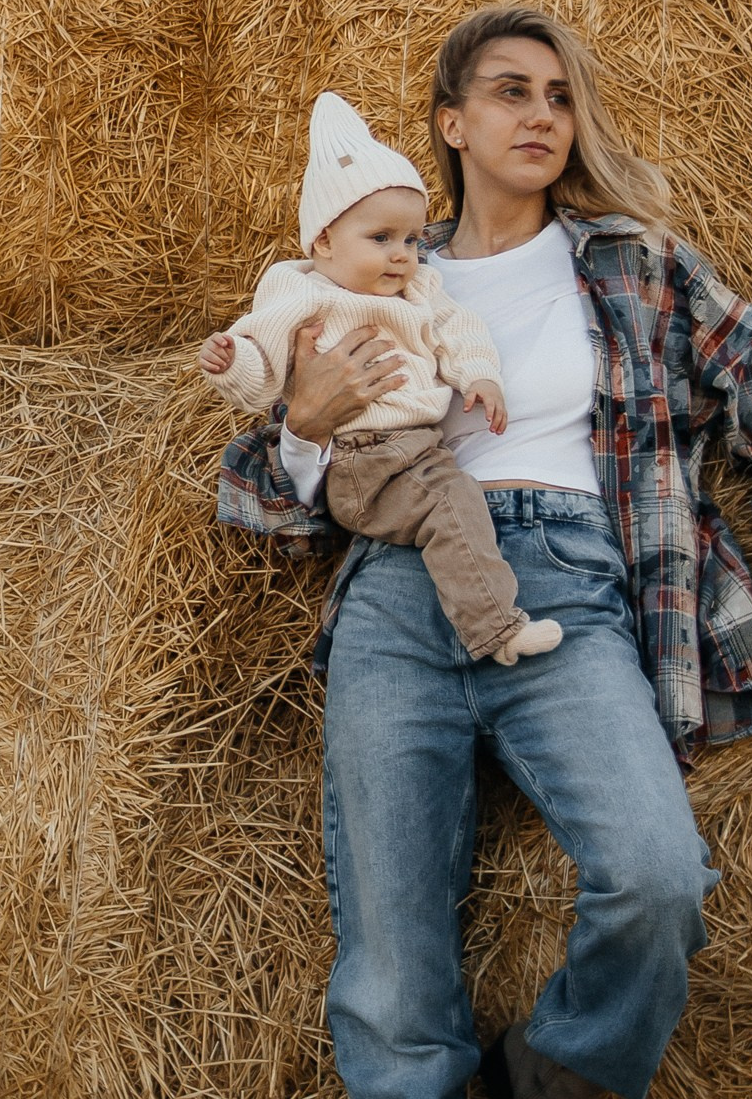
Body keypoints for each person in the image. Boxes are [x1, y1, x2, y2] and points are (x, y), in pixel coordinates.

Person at [218, 5, 752, 1099]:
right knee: (392, 965)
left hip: (572, 585)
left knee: (656, 874)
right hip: (399, 599)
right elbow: (252, 496)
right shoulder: (371, 267)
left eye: (559, 98)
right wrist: (309, 430)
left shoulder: (628, 268)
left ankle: (554, 1077)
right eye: (508, 93)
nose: (539, 118)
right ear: (446, 123)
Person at [199, 89, 562, 667]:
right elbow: (263, 364)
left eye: (413, 240)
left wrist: (481, 377)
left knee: (452, 504)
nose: (402, 255)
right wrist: (231, 362)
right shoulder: (300, 291)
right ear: (323, 242)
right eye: (381, 239)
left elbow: (458, 329)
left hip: (417, 450)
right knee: (454, 504)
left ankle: (475, 626)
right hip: (362, 458)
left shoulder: (419, 289)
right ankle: (497, 632)